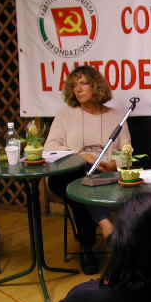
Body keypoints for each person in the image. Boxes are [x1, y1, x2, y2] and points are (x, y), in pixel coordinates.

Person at [45, 65, 131, 275]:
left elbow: (127, 153)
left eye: (83, 83)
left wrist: (114, 164)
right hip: (69, 175)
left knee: (80, 191)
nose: (78, 89)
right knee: (78, 181)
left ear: (96, 86)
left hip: (106, 175)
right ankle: (105, 224)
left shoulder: (116, 116)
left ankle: (87, 247)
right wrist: (81, 156)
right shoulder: (65, 115)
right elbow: (50, 148)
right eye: (74, 85)